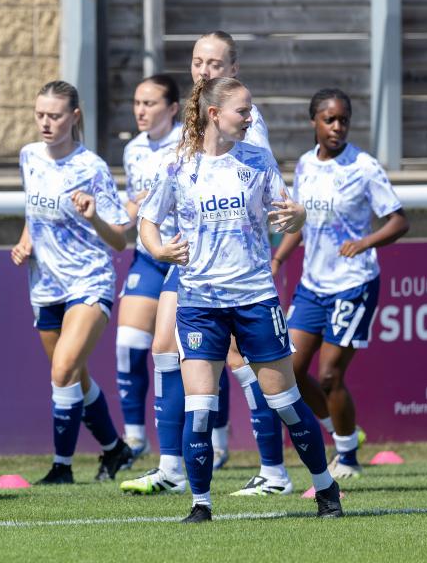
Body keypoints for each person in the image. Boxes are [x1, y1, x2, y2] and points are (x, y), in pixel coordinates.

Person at [137, 75, 343, 522]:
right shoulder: (179, 166)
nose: (250, 118)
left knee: (285, 403)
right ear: (214, 114)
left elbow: (289, 213)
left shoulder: (257, 159)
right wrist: (157, 249)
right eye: (243, 111)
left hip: (254, 298)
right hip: (198, 302)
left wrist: (298, 215)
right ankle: (200, 505)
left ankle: (327, 489)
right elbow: (147, 221)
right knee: (200, 408)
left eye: (250, 110)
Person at [122, 32, 289, 498]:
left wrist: (267, 249)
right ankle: (173, 465)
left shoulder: (244, 122)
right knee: (163, 346)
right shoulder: (192, 125)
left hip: (236, 264)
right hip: (192, 255)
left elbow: (270, 195)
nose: (203, 70)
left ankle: (273, 469)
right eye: (197, 61)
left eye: (214, 63)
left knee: (240, 360)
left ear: (232, 67)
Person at [272, 88, 408, 480]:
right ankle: (343, 433)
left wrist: (365, 241)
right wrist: (279, 256)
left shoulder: (363, 167)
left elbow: (399, 220)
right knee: (289, 371)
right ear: (313, 122)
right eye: (329, 120)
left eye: (343, 120)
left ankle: (347, 457)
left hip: (354, 283)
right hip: (313, 285)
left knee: (330, 375)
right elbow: (300, 221)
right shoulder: (304, 165)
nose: (337, 127)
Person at [12, 80, 135, 485]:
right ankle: (115, 450)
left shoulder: (91, 168)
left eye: (55, 115)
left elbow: (120, 238)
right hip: (45, 283)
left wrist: (94, 217)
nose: (45, 123)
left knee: (63, 368)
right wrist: (25, 241)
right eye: (40, 115)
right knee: (73, 375)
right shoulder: (29, 156)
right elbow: (35, 212)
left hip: (89, 279)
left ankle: (61, 468)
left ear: (74, 117)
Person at [116, 74, 181, 462]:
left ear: (172, 108)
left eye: (150, 103)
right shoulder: (134, 150)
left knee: (187, 355)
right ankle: (135, 440)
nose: (141, 110)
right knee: (128, 346)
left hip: (182, 258)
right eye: (137, 102)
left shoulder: (188, 145)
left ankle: (218, 440)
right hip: (147, 257)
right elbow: (131, 210)